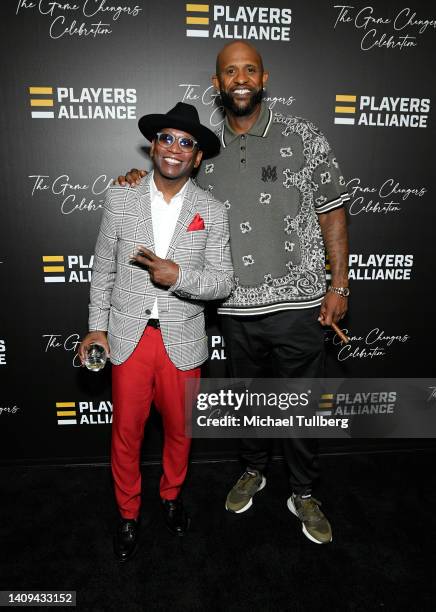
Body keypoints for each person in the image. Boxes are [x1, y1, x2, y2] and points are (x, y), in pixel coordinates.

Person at [117, 41, 350, 545]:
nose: (240, 78)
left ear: (263, 79)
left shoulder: (303, 136)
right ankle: (252, 469)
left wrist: (338, 284)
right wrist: (137, 179)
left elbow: (332, 212)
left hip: (301, 306)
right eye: (229, 71)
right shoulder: (205, 152)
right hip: (234, 309)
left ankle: (305, 491)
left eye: (249, 69)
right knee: (247, 402)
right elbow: (168, 183)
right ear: (217, 83)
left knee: (302, 405)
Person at [79, 102, 234, 562]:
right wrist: (96, 329)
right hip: (129, 337)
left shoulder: (213, 210)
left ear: (197, 157)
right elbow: (103, 267)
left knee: (180, 434)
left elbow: (223, 281)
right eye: (167, 138)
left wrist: (177, 276)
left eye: (186, 143)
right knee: (126, 433)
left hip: (183, 340)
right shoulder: (120, 197)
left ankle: (170, 497)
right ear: (153, 146)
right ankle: (128, 513)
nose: (174, 149)